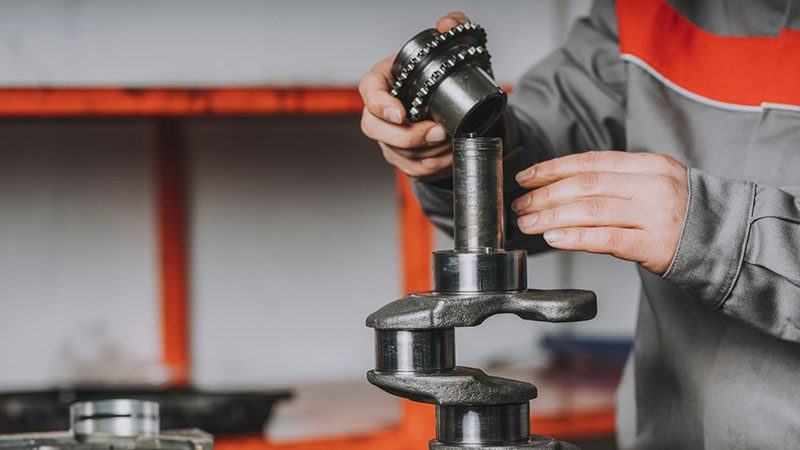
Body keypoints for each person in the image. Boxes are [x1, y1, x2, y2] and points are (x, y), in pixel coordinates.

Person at [359, 0, 800, 448]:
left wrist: (722, 233)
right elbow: (538, 168)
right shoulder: (647, 11)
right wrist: (449, 150)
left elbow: (712, 229)